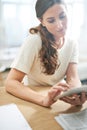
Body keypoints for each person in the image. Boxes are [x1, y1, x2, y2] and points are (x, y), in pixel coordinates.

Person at [5, 0, 87, 107]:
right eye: (51, 21)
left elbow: (72, 77)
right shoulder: (34, 41)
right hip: (34, 98)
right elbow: (10, 82)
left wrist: (76, 94)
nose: (60, 25)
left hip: (57, 98)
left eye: (62, 17)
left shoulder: (72, 43)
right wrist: (43, 100)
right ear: (42, 21)